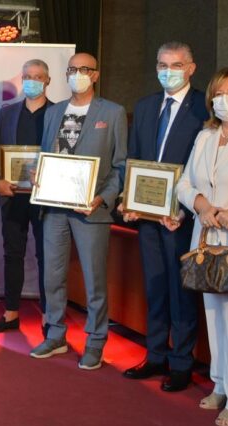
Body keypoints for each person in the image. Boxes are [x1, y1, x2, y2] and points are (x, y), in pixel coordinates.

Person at [29, 53, 127, 370]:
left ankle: (95, 341)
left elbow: (121, 166)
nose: (77, 74)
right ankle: (55, 334)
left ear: (95, 75)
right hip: (54, 208)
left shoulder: (112, 113)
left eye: (84, 69)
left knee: (94, 280)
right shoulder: (54, 111)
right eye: (72, 69)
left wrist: (102, 198)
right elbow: (46, 154)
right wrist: (38, 174)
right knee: (53, 276)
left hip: (91, 210)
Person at [121, 42, 207, 391]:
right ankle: (155, 355)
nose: (167, 71)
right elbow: (134, 158)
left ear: (191, 68)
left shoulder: (204, 107)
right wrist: (128, 199)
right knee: (155, 288)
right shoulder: (145, 106)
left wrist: (184, 210)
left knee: (180, 291)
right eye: (162, 64)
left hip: (181, 219)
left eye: (175, 65)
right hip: (147, 217)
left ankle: (181, 363)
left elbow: (203, 169)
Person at [0, 59, 53, 334]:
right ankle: (11, 313)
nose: (32, 81)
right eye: (27, 76)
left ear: (47, 81)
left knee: (47, 256)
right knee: (12, 253)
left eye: (38, 76)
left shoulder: (59, 113)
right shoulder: (7, 114)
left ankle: (49, 315)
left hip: (46, 197)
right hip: (12, 196)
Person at [177, 67, 228, 426]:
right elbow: (184, 183)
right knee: (215, 317)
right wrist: (201, 204)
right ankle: (220, 384)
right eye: (219, 94)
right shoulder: (205, 136)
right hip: (207, 240)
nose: (223, 100)